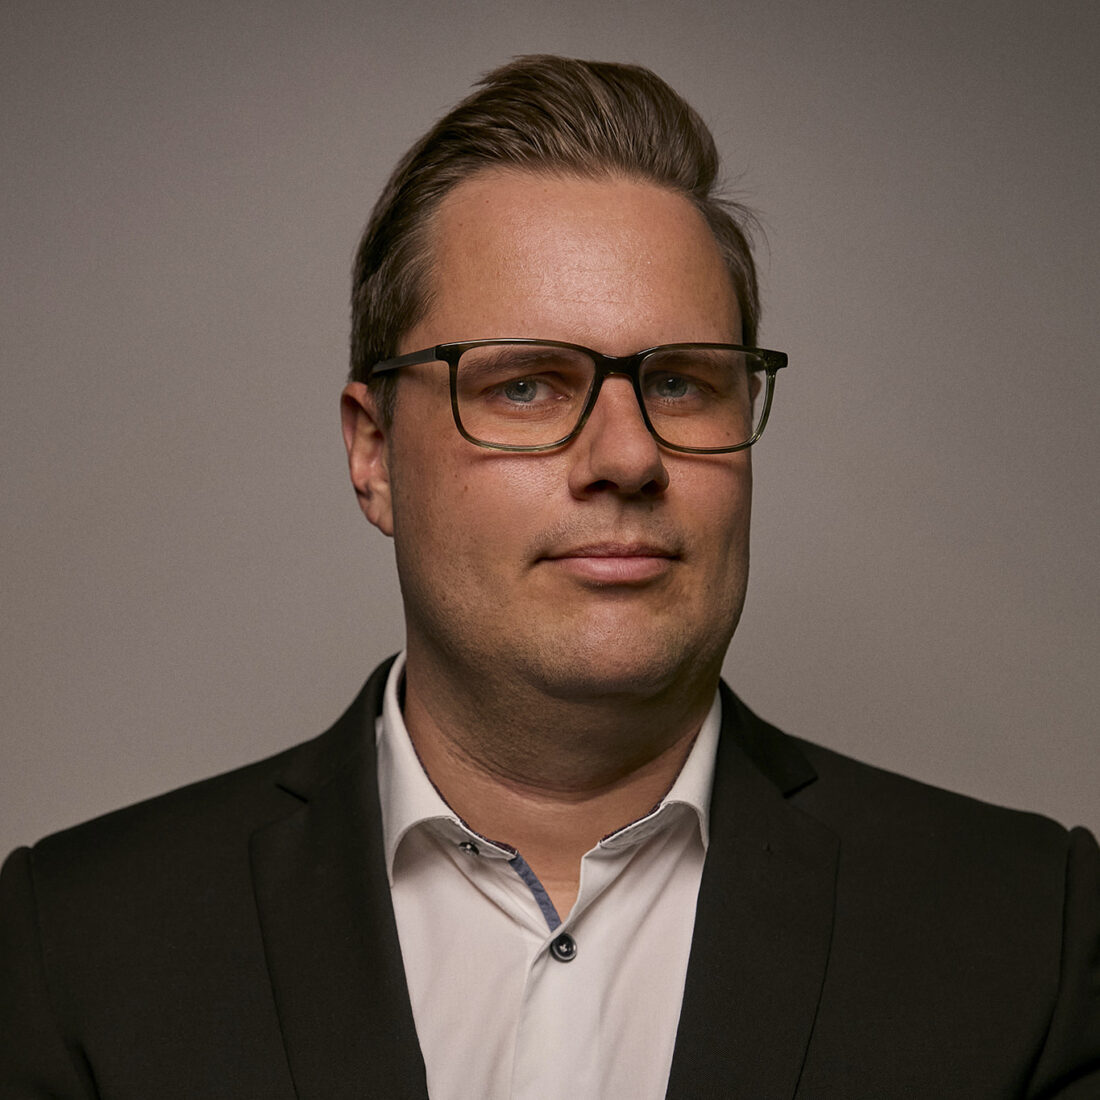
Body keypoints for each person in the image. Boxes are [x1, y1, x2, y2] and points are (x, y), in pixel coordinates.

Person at [1, 55, 1097, 1100]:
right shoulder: (73, 947)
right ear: (371, 451)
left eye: (680, 382)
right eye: (526, 385)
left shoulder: (1028, 935)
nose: (626, 455)